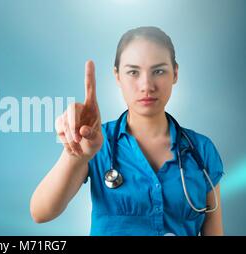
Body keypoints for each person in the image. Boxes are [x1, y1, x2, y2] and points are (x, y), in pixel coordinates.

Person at [30, 26, 224, 236]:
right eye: (133, 72)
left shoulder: (201, 150)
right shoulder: (97, 142)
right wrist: (74, 154)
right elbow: (41, 212)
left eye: (158, 71)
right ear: (117, 76)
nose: (146, 85)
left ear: (175, 73)